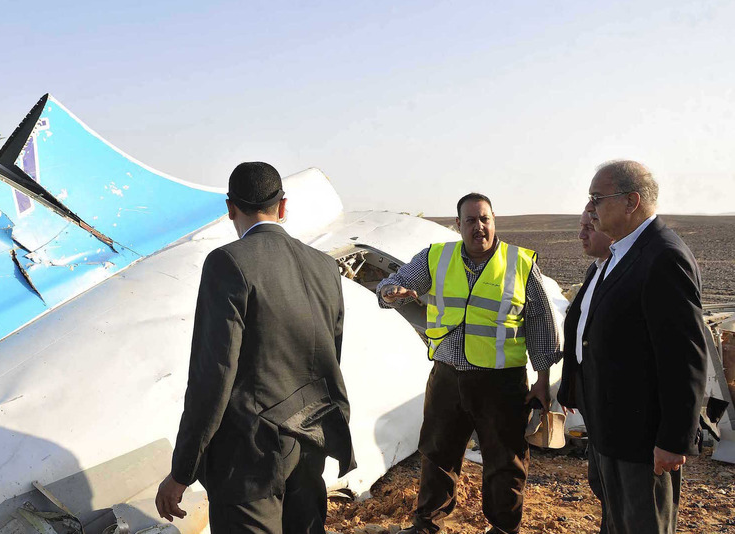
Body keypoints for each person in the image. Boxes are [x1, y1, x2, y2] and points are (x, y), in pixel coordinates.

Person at [154, 162, 355, 533]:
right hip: (311, 443)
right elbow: (331, 355)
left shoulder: (228, 263)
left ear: (230, 208)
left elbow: (213, 376)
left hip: (250, 457)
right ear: (283, 206)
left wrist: (182, 471)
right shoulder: (326, 267)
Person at [376, 193, 561, 534]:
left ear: (494, 221)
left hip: (501, 383)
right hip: (447, 377)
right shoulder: (436, 257)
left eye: (484, 219)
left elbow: (540, 322)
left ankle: (504, 528)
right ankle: (427, 525)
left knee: (505, 460)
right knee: (437, 454)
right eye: (471, 221)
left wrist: (542, 378)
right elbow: (395, 283)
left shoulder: (519, 263)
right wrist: (391, 292)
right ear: (458, 225)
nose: (479, 227)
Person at [573, 160, 707, 533]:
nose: (591, 208)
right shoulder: (621, 255)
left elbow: (685, 356)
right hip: (612, 430)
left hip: (642, 440)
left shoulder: (662, 256)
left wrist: (674, 439)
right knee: (617, 522)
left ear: (631, 201)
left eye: (597, 198)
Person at [557, 210, 613, 531]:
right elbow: (580, 333)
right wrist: (571, 387)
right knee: (602, 483)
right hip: (595, 401)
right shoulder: (597, 269)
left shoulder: (628, 272)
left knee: (629, 498)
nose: (581, 235)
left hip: (620, 407)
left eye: (589, 227)